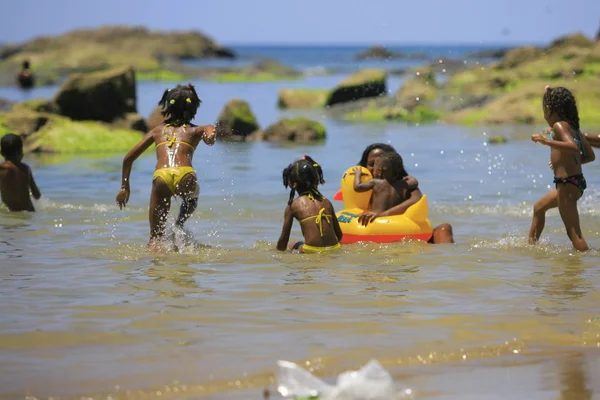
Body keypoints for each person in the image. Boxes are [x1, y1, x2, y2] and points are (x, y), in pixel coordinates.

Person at [115, 84, 215, 249]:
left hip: (161, 176)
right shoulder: (196, 130)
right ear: (194, 107)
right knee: (192, 196)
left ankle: (157, 271)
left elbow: (128, 159)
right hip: (185, 174)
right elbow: (210, 130)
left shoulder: (157, 131)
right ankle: (179, 224)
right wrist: (210, 137)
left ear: (168, 106)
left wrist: (125, 186)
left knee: (155, 240)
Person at [529, 86, 595, 251]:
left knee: (574, 234)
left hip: (567, 185)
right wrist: (563, 163)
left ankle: (583, 267)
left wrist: (546, 141)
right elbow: (589, 156)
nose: (543, 111)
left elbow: (572, 147)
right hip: (574, 183)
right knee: (539, 207)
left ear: (551, 108)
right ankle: (531, 248)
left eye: (544, 106)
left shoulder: (560, 126)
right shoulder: (573, 128)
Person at [355, 143, 454, 244]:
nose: (378, 169)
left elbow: (416, 198)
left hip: (401, 230)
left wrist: (383, 214)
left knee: (444, 228)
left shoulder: (404, 184)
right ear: (363, 167)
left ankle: (448, 255)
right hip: (369, 232)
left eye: (386, 166)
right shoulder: (360, 189)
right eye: (372, 164)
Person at [277, 155, 343, 253]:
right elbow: (339, 235)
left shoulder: (292, 206)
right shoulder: (326, 202)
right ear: (317, 180)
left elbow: (283, 243)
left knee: (292, 244)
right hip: (335, 248)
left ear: (291, 183)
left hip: (311, 250)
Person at [354, 151, 423, 222]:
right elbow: (414, 184)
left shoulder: (375, 182)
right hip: (393, 221)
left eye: (374, 165)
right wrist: (409, 178)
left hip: (374, 219)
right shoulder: (403, 184)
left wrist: (357, 174)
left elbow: (357, 187)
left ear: (380, 171)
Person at [0, 133, 41, 211]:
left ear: (1, 153)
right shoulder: (26, 169)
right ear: (21, 152)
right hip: (29, 212)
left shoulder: (1, 169)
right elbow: (37, 195)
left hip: (11, 212)